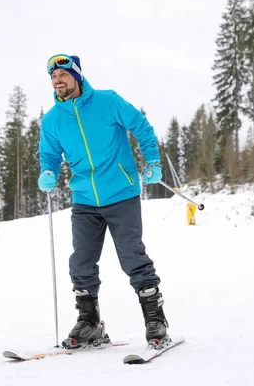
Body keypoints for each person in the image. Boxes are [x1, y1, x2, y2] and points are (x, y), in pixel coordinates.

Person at [37, 54, 170, 348]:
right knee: (81, 262)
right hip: (84, 198)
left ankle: (155, 320)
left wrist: (153, 160)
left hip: (121, 193)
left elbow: (142, 127)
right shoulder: (52, 121)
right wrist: (48, 170)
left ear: (77, 76)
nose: (57, 81)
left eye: (62, 74)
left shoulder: (107, 101)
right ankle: (89, 322)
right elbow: (49, 154)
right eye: (53, 77)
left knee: (133, 258)